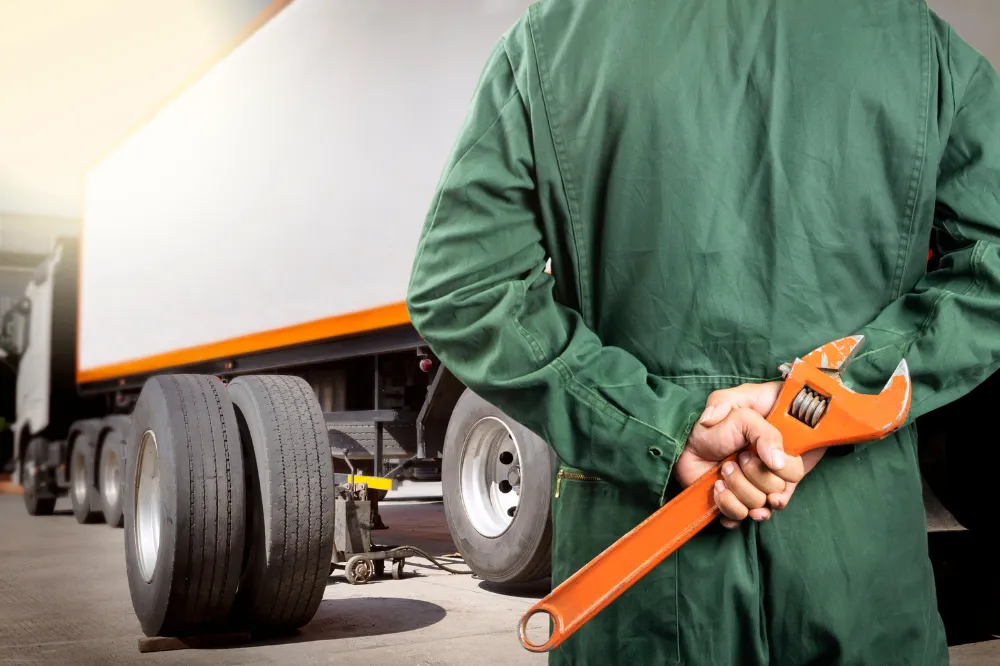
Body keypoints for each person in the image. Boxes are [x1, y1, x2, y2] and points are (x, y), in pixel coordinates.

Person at [406, 0, 1000, 663]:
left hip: (644, 584)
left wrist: (664, 426)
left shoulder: (552, 39)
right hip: (857, 570)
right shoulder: (917, 42)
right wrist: (822, 405)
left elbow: (461, 287)